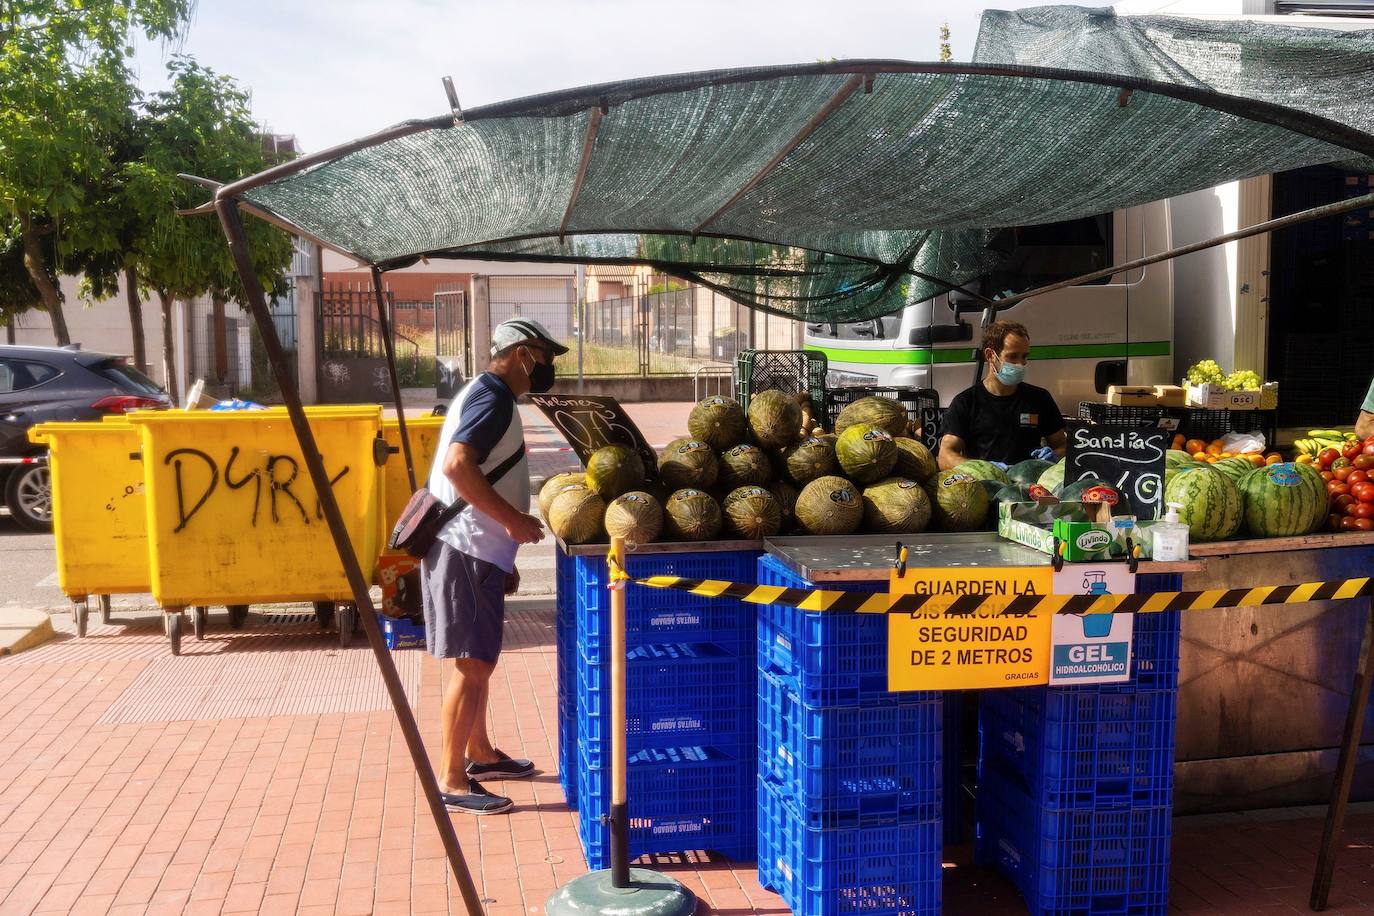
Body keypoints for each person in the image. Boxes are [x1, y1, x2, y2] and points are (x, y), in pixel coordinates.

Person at [421, 317, 567, 815]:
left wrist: (503, 546)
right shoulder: (493, 397)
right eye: (545, 356)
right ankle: (451, 780)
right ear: (523, 353)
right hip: (466, 548)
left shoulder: (483, 392)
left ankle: (479, 754)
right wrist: (512, 522)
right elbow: (458, 465)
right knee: (472, 665)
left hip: (477, 550)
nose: (547, 367)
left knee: (479, 660)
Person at [937, 320, 1067, 470]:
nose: (1020, 364)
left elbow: (1063, 445)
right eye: (1013, 357)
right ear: (990, 355)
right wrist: (983, 468)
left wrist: (1055, 455)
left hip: (1029, 487)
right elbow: (945, 457)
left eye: (1024, 356)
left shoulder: (1039, 399)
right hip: (985, 488)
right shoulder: (966, 402)